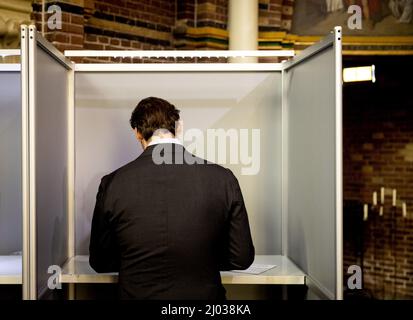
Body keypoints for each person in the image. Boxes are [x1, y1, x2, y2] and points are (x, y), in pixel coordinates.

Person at [89, 97, 255, 300]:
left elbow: (100, 262)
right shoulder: (222, 179)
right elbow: (242, 259)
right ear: (180, 127)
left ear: (137, 133)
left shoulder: (113, 183)